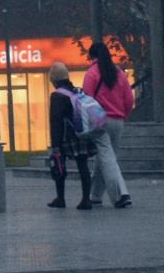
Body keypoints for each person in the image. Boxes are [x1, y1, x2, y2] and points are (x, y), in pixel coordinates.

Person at [81, 38, 135, 208]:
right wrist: (122, 116)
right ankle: (95, 195)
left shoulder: (92, 73)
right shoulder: (119, 73)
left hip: (100, 122)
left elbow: (86, 101)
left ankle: (121, 194)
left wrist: (87, 124)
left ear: (92, 56)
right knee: (104, 158)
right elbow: (129, 100)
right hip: (118, 121)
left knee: (107, 158)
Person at [45, 62, 96, 209]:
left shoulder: (57, 96)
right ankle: (86, 199)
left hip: (66, 137)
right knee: (83, 166)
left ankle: (60, 198)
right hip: (82, 134)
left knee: (59, 164)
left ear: (54, 80)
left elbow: (56, 121)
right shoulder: (78, 91)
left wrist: (55, 144)